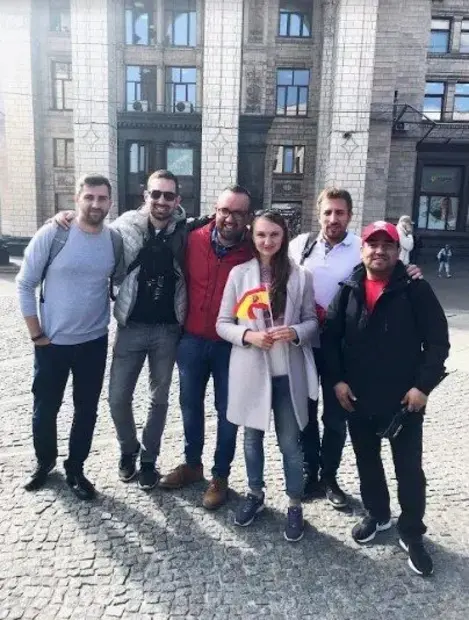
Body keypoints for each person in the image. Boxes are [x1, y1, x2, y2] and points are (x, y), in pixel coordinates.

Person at [52, 170, 209, 491]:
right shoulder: (123, 227)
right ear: (145, 195)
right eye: (156, 194)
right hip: (131, 326)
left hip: (167, 330)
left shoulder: (186, 230)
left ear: (177, 200)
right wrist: (68, 215)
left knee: (159, 400)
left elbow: (222, 223)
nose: (161, 200)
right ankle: (129, 448)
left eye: (168, 195)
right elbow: (92, 229)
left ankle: (149, 460)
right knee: (117, 398)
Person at [322, 221, 449, 577]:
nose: (379, 251)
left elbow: (437, 342)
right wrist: (337, 381)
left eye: (387, 245)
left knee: (408, 469)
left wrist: (422, 387)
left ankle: (412, 531)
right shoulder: (348, 288)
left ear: (397, 251)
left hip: (404, 400)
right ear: (362, 249)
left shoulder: (415, 289)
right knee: (367, 461)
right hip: (358, 397)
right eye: (372, 244)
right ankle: (378, 514)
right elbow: (329, 338)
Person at [289, 188, 423, 509]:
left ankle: (330, 477)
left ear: (349, 215)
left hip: (343, 351)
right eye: (328, 212)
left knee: (336, 418)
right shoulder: (300, 246)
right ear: (318, 213)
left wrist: (412, 271)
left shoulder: (360, 249)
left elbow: (393, 271)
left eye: (340, 212)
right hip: (303, 346)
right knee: (303, 414)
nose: (333, 218)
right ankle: (309, 471)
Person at [17, 174, 124, 500]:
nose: (95, 204)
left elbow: (117, 281)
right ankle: (45, 462)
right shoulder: (54, 233)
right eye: (89, 197)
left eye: (102, 198)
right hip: (52, 342)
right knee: (45, 407)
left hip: (93, 342)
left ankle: (75, 468)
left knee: (86, 410)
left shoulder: (113, 240)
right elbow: (24, 283)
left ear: (110, 202)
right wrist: (36, 333)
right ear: (77, 199)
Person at [216, 210, 319, 542]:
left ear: (284, 236)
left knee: (290, 443)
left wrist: (296, 331)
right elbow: (223, 324)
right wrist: (249, 336)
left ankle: (294, 503)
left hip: (287, 373)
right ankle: (255, 493)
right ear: (252, 236)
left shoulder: (301, 276)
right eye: (261, 234)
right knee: (252, 439)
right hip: (251, 370)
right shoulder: (239, 274)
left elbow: (312, 321)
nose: (267, 241)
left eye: (274, 234)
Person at [159, 186, 253, 510]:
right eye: (225, 210)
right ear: (216, 209)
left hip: (232, 346)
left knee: (227, 412)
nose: (230, 218)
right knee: (189, 405)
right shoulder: (192, 238)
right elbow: (152, 226)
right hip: (192, 340)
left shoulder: (254, 250)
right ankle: (192, 464)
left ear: (248, 217)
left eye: (238, 213)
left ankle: (220, 476)